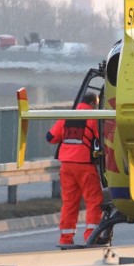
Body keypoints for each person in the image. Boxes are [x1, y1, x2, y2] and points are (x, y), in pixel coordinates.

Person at [46, 92, 103, 245]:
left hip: (66, 167)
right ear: (93, 104)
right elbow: (103, 139)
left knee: (69, 203)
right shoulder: (94, 117)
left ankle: (65, 238)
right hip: (85, 165)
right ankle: (91, 236)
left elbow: (50, 138)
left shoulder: (68, 116)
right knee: (94, 202)